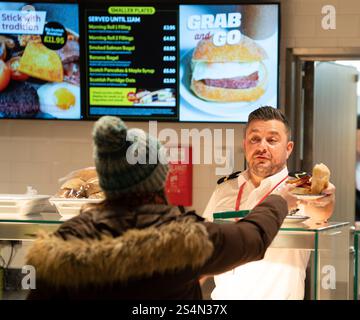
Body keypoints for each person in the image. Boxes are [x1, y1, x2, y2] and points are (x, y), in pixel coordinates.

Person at [25, 115, 294, 300]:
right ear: (160, 177)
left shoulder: (65, 241)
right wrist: (280, 199)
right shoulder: (185, 238)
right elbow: (254, 236)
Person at [203, 106, 335, 300]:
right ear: (245, 144)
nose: (262, 147)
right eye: (254, 139)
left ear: (288, 148)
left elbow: (321, 212)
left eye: (272, 140)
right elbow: (205, 247)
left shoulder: (302, 187)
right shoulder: (224, 188)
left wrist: (325, 198)